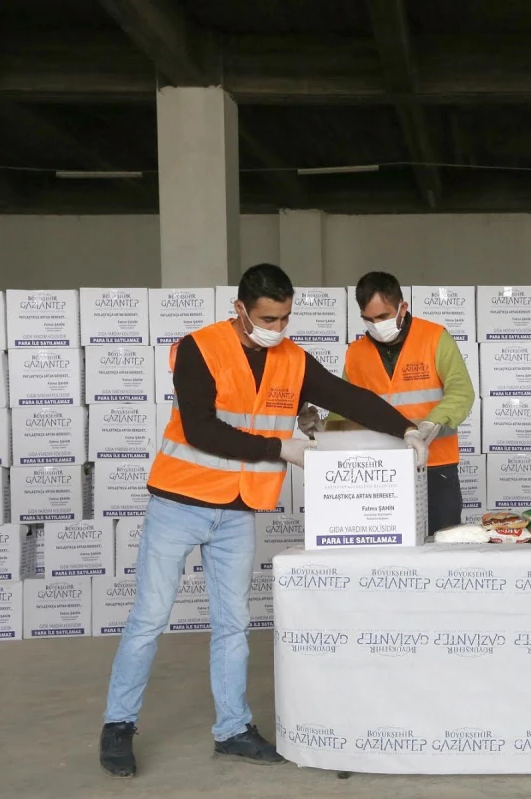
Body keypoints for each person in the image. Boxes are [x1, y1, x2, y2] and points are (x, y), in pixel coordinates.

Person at [99, 264, 427, 778]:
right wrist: (281, 448)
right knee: (149, 619)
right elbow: (202, 430)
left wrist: (406, 429)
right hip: (179, 504)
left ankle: (232, 729)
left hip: (236, 511)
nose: (277, 328)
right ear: (240, 311)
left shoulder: (291, 358)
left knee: (233, 624)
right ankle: (118, 725)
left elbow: (345, 396)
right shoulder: (198, 348)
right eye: (268, 318)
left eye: (285, 317)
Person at [332, 272, 474, 534]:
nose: (376, 325)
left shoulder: (434, 338)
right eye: (369, 319)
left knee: (441, 551)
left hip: (434, 467)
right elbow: (343, 408)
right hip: (379, 473)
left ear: (402, 307)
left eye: (383, 317)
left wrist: (433, 423)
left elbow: (461, 391)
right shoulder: (356, 353)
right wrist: (320, 433)